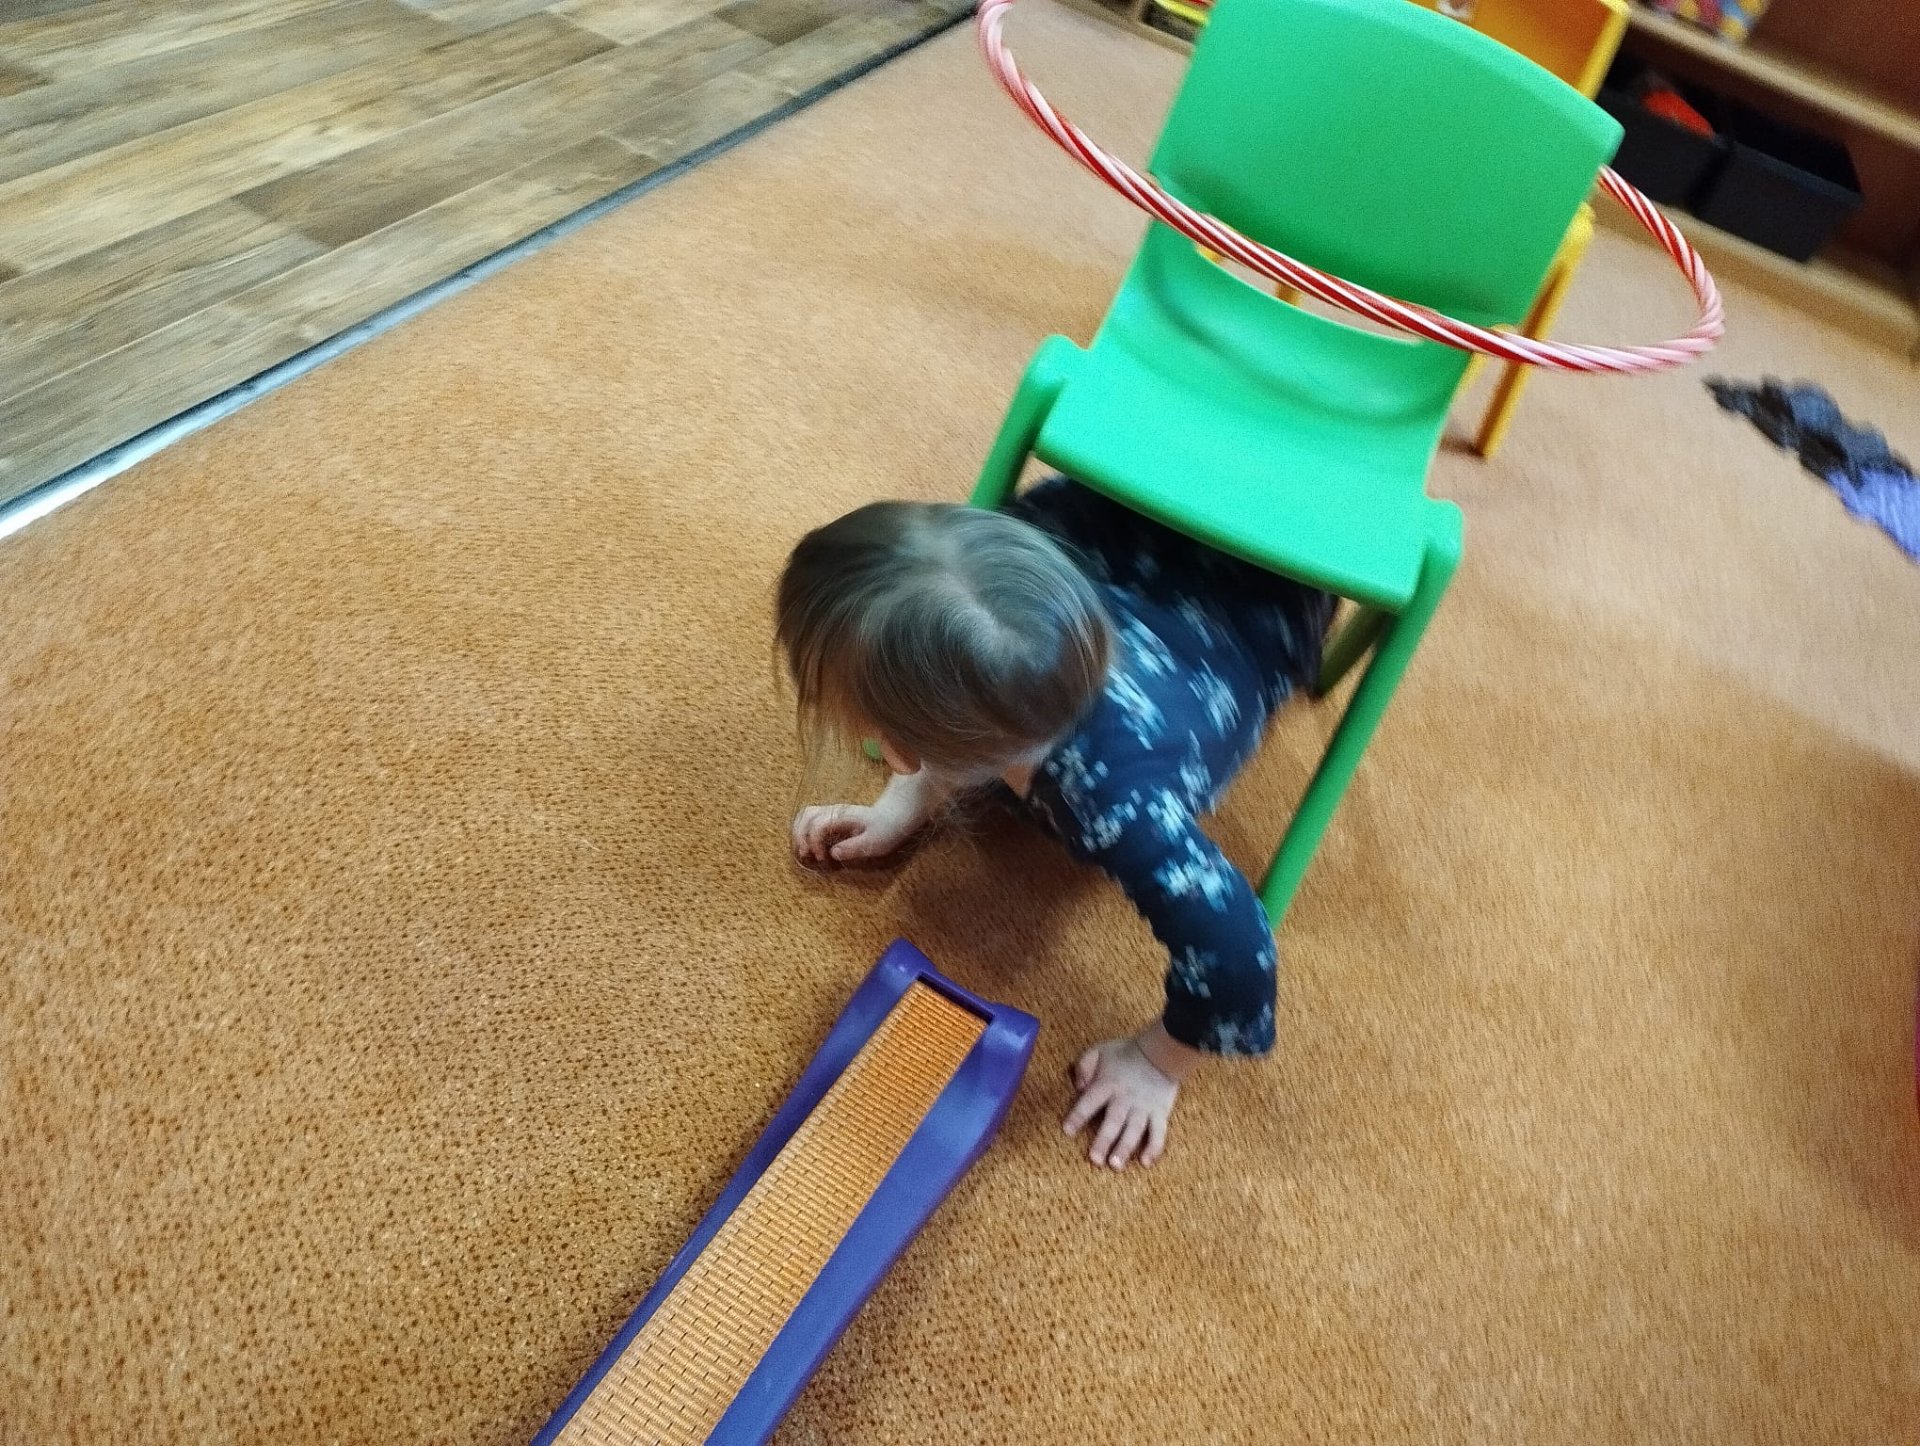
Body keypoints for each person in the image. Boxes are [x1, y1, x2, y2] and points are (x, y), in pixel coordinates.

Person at [775, 477, 1333, 1170]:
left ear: (895, 746)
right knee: (963, 620)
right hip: (1180, 520)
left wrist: (1157, 1063)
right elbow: (958, 707)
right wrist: (908, 798)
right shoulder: (1031, 619)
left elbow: (1239, 955)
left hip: (1273, 598)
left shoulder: (1117, 804)